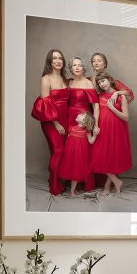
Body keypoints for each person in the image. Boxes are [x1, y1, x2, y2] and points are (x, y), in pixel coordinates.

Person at [31, 49, 69, 196]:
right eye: (55, 58)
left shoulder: (65, 79)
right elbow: (45, 104)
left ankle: (57, 179)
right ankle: (54, 185)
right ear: (50, 61)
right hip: (51, 120)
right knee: (59, 150)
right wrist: (56, 124)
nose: (58, 61)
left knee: (60, 152)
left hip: (65, 119)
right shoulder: (46, 79)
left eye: (60, 58)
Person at [92, 71, 132, 195]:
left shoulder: (121, 97)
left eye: (103, 81)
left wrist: (112, 108)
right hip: (103, 130)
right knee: (100, 157)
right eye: (99, 82)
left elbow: (126, 117)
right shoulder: (100, 97)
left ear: (109, 80)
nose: (102, 84)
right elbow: (97, 112)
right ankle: (115, 181)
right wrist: (96, 125)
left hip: (117, 130)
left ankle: (107, 186)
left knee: (113, 157)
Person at [68, 57, 99, 191]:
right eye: (74, 65)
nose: (77, 67)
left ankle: (87, 182)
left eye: (80, 65)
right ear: (71, 68)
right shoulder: (69, 82)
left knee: (84, 151)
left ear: (83, 68)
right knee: (71, 150)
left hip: (83, 118)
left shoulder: (87, 83)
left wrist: (95, 125)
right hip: (70, 118)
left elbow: (96, 106)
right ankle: (72, 178)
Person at [58, 111, 97, 197]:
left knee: (75, 173)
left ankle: (72, 192)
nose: (79, 114)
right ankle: (72, 190)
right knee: (71, 171)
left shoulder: (86, 131)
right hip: (70, 155)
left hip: (80, 155)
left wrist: (95, 135)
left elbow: (91, 141)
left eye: (82, 115)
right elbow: (67, 141)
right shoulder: (71, 128)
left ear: (84, 121)